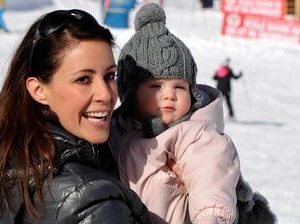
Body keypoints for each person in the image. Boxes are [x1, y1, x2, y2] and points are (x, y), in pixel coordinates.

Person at [0, 9, 150, 223]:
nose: (106, 94)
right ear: (38, 90)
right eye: (83, 79)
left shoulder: (8, 157)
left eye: (109, 76)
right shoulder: (92, 202)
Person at [109, 3, 276, 224]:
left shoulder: (194, 135)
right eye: (156, 87)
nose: (170, 95)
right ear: (130, 93)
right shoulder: (114, 130)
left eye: (179, 87)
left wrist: (209, 218)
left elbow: (211, 181)